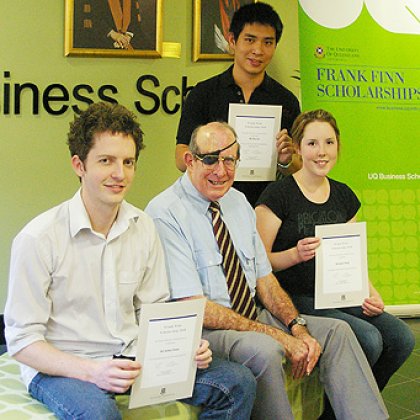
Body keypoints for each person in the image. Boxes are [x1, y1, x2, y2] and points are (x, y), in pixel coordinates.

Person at [4, 103, 256, 419]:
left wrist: (183, 346)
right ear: (79, 165)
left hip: (132, 355)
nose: (120, 174)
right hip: (65, 365)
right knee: (101, 415)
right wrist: (92, 372)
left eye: (128, 162)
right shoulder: (38, 238)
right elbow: (22, 341)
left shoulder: (142, 226)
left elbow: (154, 309)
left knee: (237, 383)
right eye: (106, 161)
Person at [146, 121, 389, 420]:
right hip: (206, 330)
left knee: (338, 331)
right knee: (265, 349)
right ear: (190, 160)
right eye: (210, 159)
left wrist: (296, 325)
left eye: (229, 160)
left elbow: (264, 279)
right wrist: (279, 336)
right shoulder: (164, 212)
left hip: (253, 314)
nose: (221, 171)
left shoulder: (238, 203)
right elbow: (194, 307)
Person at [255, 109, 415, 392]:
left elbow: (352, 257)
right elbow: (257, 263)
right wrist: (295, 254)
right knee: (368, 339)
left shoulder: (344, 195)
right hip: (295, 298)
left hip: (338, 293)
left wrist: (370, 292)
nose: (322, 152)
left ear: (338, 145)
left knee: (402, 338)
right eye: (312, 143)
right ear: (297, 148)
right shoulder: (277, 196)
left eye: (329, 142)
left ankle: (356, 404)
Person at [176, 2, 302, 207]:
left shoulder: (286, 101)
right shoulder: (204, 93)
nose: (258, 50)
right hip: (211, 206)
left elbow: (298, 167)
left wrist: (285, 160)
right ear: (232, 41)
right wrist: (212, 157)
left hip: (268, 208)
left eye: (267, 42)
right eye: (250, 40)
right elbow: (180, 157)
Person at [73, 0, 156, 50]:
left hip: (129, 37)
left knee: (149, 49)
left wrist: (128, 36)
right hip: (101, 36)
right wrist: (113, 34)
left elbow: (134, 19)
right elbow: (92, 17)